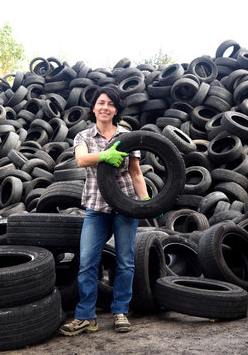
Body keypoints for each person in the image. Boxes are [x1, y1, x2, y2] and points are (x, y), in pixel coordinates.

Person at [59, 86, 149, 336]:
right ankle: (86, 316)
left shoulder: (128, 136)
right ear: (93, 108)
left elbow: (135, 173)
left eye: (110, 103)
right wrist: (104, 155)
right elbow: (81, 160)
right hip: (96, 207)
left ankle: (120, 311)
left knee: (125, 262)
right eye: (101, 102)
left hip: (125, 206)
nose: (105, 107)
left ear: (116, 109)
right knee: (87, 262)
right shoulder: (84, 137)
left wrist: (147, 202)